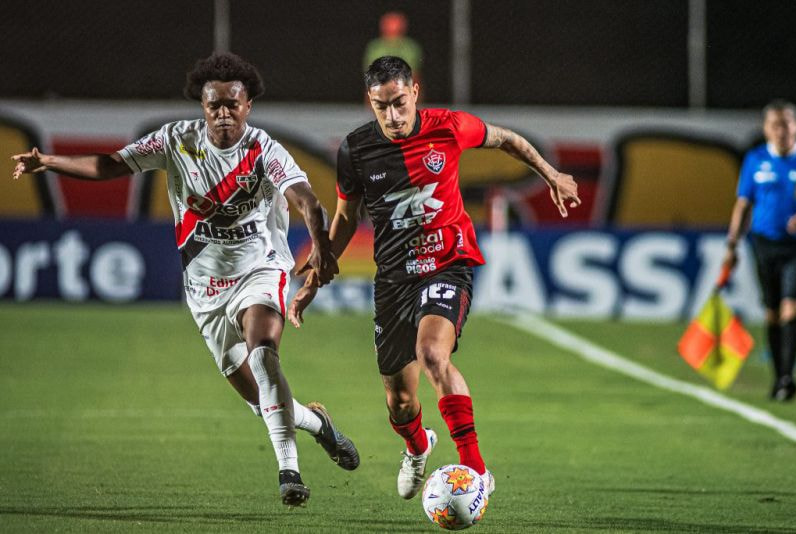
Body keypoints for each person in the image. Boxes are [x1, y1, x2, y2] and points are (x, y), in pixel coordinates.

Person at [11, 52, 359, 506]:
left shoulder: (264, 151)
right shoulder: (175, 141)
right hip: (204, 289)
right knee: (261, 402)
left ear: (248, 105)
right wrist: (48, 161)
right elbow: (110, 165)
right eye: (213, 104)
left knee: (264, 354)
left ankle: (288, 472)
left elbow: (308, 202)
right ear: (202, 104)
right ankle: (319, 425)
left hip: (260, 268)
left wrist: (322, 254)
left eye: (232, 104)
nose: (223, 113)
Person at [289, 56, 580, 500]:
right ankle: (418, 445)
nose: (393, 115)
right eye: (381, 106)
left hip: (449, 263)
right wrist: (320, 264)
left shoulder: (450, 126)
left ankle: (475, 471)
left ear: (415, 93)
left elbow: (508, 140)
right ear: (370, 101)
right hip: (393, 280)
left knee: (432, 354)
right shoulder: (355, 150)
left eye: (400, 103)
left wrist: (552, 173)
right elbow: (347, 216)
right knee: (400, 402)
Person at [723, 99, 796, 402]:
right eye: (775, 125)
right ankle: (779, 376)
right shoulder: (755, 160)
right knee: (771, 313)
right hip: (763, 245)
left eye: (787, 124)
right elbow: (743, 204)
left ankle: (786, 376)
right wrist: (732, 245)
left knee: (791, 307)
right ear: (767, 129)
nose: (782, 130)